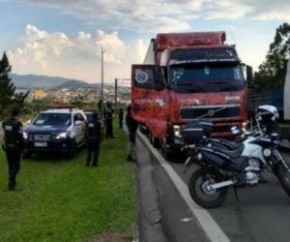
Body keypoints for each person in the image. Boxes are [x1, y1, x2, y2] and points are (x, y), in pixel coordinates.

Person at [2, 108, 24, 190]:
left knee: (10, 165)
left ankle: (11, 183)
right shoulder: (18, 124)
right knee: (16, 166)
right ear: (18, 115)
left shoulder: (5, 123)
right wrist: (23, 147)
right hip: (16, 147)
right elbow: (20, 136)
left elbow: (5, 135)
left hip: (8, 147)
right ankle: (11, 182)